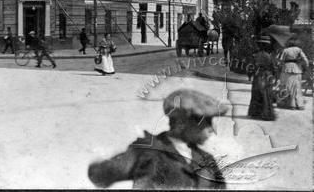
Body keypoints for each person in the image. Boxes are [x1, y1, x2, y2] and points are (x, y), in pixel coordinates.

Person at [88, 88, 227, 189]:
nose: (212, 129)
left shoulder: (207, 160)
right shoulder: (149, 151)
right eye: (206, 121)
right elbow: (100, 176)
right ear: (182, 122)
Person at [247, 35, 277, 121]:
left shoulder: (255, 55)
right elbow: (274, 68)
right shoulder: (269, 56)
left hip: (258, 75)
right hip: (267, 75)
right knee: (266, 94)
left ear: (259, 45)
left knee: (256, 93)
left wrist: (249, 75)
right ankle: (266, 114)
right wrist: (274, 76)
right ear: (267, 45)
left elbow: (250, 67)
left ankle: (255, 113)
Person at [276, 37, 309, 110]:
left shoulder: (285, 50)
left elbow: (279, 60)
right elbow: (305, 60)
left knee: (286, 86)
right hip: (297, 69)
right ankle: (299, 105)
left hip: (286, 69)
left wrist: (280, 65)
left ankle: (289, 104)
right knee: (297, 87)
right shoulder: (299, 50)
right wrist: (304, 66)